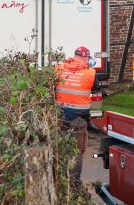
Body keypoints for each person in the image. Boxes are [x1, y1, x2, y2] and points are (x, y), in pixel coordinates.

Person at [55, 46, 98, 185]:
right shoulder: (90, 72)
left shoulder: (59, 68)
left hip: (60, 116)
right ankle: (74, 183)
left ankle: (60, 181)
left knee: (61, 148)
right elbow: (96, 91)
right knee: (77, 152)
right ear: (86, 58)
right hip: (79, 119)